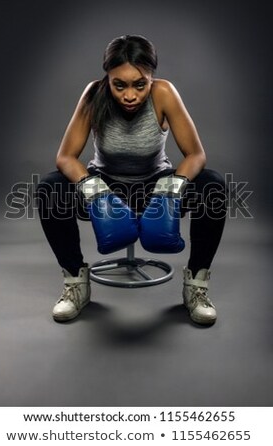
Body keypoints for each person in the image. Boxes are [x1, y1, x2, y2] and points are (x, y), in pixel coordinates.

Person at [37, 34, 227, 325]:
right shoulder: (93, 94)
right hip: (105, 183)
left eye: (140, 84)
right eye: (119, 85)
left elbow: (195, 155)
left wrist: (170, 189)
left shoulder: (164, 93)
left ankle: (196, 287)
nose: (129, 95)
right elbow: (65, 157)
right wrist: (94, 189)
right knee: (50, 188)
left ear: (151, 78)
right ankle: (76, 282)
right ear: (107, 78)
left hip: (156, 184)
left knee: (212, 185)